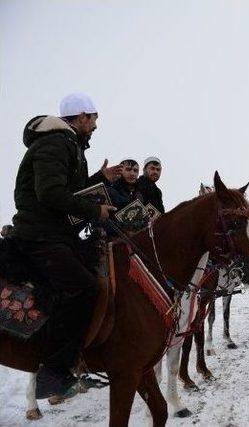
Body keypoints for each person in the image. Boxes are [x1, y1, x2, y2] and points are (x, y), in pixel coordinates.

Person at [10, 93, 122, 399]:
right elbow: (50, 193)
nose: (96, 124)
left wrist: (100, 178)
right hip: (40, 235)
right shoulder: (56, 143)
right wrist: (94, 210)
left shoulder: (68, 144)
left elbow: (69, 190)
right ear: (82, 117)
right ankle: (54, 372)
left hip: (56, 235)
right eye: (94, 118)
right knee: (84, 288)